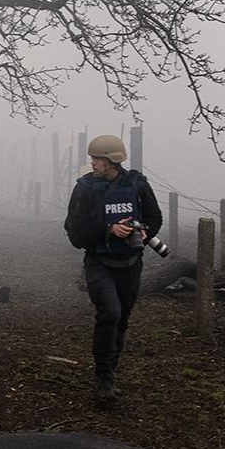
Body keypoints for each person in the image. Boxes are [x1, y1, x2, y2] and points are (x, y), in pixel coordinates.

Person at [63, 134, 162, 406]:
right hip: (99, 262)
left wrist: (139, 230)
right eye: (92, 158)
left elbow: (155, 218)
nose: (93, 163)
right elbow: (75, 233)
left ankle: (111, 369)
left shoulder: (137, 185)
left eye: (98, 159)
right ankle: (103, 378)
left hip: (130, 263)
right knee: (110, 312)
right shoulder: (84, 189)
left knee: (122, 319)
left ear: (112, 161)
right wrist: (108, 230)